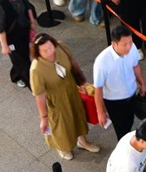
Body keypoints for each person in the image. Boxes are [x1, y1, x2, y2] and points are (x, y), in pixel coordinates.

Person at [30, 33, 100, 161]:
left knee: (78, 115)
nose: (50, 52)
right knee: (61, 125)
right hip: (55, 99)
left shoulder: (60, 47)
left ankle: (82, 141)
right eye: (44, 50)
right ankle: (62, 147)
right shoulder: (36, 69)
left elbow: (73, 65)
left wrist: (82, 82)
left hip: (71, 90)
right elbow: (39, 96)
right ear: (38, 52)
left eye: (50, 47)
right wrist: (43, 117)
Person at [94, 25, 146, 141]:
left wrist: (142, 83)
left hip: (132, 94)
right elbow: (98, 89)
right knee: (121, 130)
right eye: (124, 44)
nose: (129, 47)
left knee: (130, 121)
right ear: (114, 44)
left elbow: (135, 66)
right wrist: (101, 112)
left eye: (130, 42)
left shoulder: (132, 47)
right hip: (115, 102)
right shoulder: (102, 61)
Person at [0, 0, 36, 89]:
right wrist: (4, 46)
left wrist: (32, 22)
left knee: (21, 56)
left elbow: (28, 7)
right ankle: (32, 85)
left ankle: (16, 75)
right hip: (12, 36)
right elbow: (1, 28)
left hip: (24, 29)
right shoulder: (0, 5)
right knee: (23, 61)